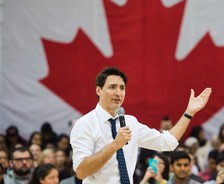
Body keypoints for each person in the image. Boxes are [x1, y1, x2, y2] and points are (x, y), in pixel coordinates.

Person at [70, 66, 212, 183]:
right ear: (98, 90)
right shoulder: (85, 124)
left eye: (122, 88)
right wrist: (114, 145)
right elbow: (82, 172)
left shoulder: (130, 122)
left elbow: (168, 142)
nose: (118, 93)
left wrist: (189, 112)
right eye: (112, 87)